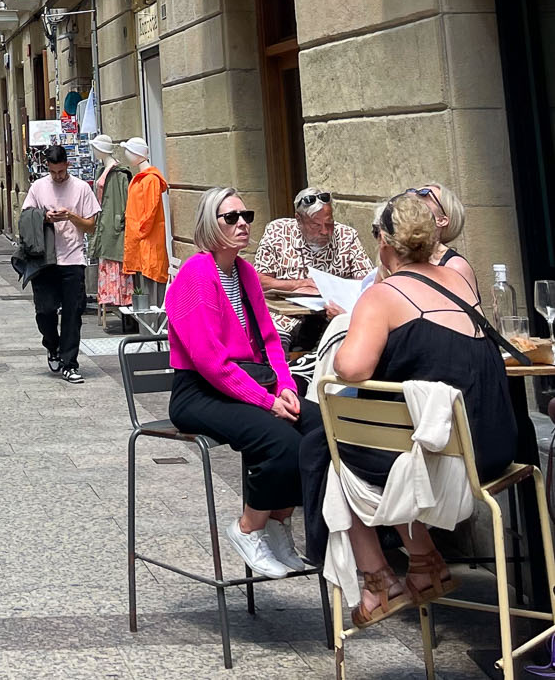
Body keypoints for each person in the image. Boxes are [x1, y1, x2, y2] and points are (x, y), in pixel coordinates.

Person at [299, 189, 517, 623]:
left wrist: (357, 318)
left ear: (383, 240)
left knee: (326, 447)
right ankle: (421, 565)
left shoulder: (384, 295)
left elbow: (349, 367)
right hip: (494, 447)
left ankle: (380, 580)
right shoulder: (459, 278)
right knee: (367, 442)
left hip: (444, 459)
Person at [166, 187, 309, 580]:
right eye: (231, 217)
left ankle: (280, 525)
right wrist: (266, 403)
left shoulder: (244, 272)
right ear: (210, 225)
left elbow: (269, 341)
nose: (243, 223)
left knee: (316, 430)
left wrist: (285, 387)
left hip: (247, 382)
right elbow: (210, 362)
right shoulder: (197, 273)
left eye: (246, 215)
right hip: (198, 391)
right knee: (281, 441)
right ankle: (248, 528)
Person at [23, 146, 99, 383]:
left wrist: (70, 216)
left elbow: (91, 226)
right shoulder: (38, 187)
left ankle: (70, 363)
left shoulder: (81, 188)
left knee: (72, 313)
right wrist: (45, 217)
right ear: (47, 167)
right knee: (44, 311)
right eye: (53, 172)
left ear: (67, 165)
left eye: (61, 171)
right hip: (45, 259)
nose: (57, 176)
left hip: (73, 258)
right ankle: (52, 344)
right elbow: (26, 216)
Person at [254, 186, 372, 308]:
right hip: (286, 318)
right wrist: (300, 284)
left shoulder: (347, 236)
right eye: (316, 225)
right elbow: (258, 281)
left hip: (331, 316)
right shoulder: (277, 232)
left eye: (329, 223)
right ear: (299, 220)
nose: (325, 231)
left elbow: (368, 281)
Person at [89, 134, 133, 324]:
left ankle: (122, 304)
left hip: (114, 225)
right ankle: (107, 303)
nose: (93, 151)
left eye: (95, 147)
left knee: (116, 263)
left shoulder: (119, 173)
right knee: (106, 262)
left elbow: (125, 202)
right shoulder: (101, 170)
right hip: (104, 223)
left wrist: (119, 220)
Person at [122, 138, 170, 302]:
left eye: (128, 151)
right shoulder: (143, 178)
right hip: (141, 242)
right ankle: (149, 325)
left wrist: (139, 232)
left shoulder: (150, 180)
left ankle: (153, 325)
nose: (126, 155)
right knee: (144, 287)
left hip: (147, 241)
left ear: (136, 153)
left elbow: (149, 212)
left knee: (152, 287)